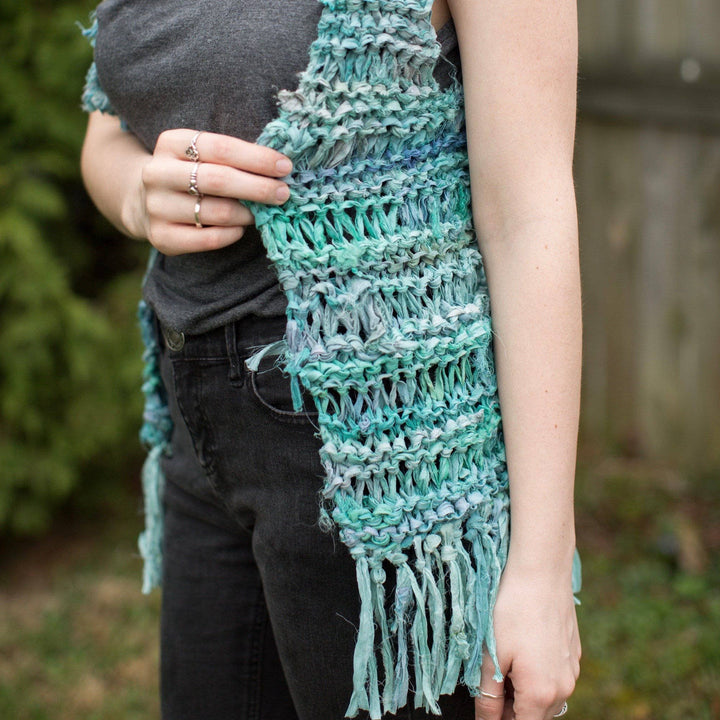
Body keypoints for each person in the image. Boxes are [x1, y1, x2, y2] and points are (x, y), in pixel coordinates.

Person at [79, 0, 582, 719]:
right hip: (197, 430)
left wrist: (540, 569)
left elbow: (528, 214)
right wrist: (136, 194)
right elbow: (106, 132)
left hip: (388, 466)